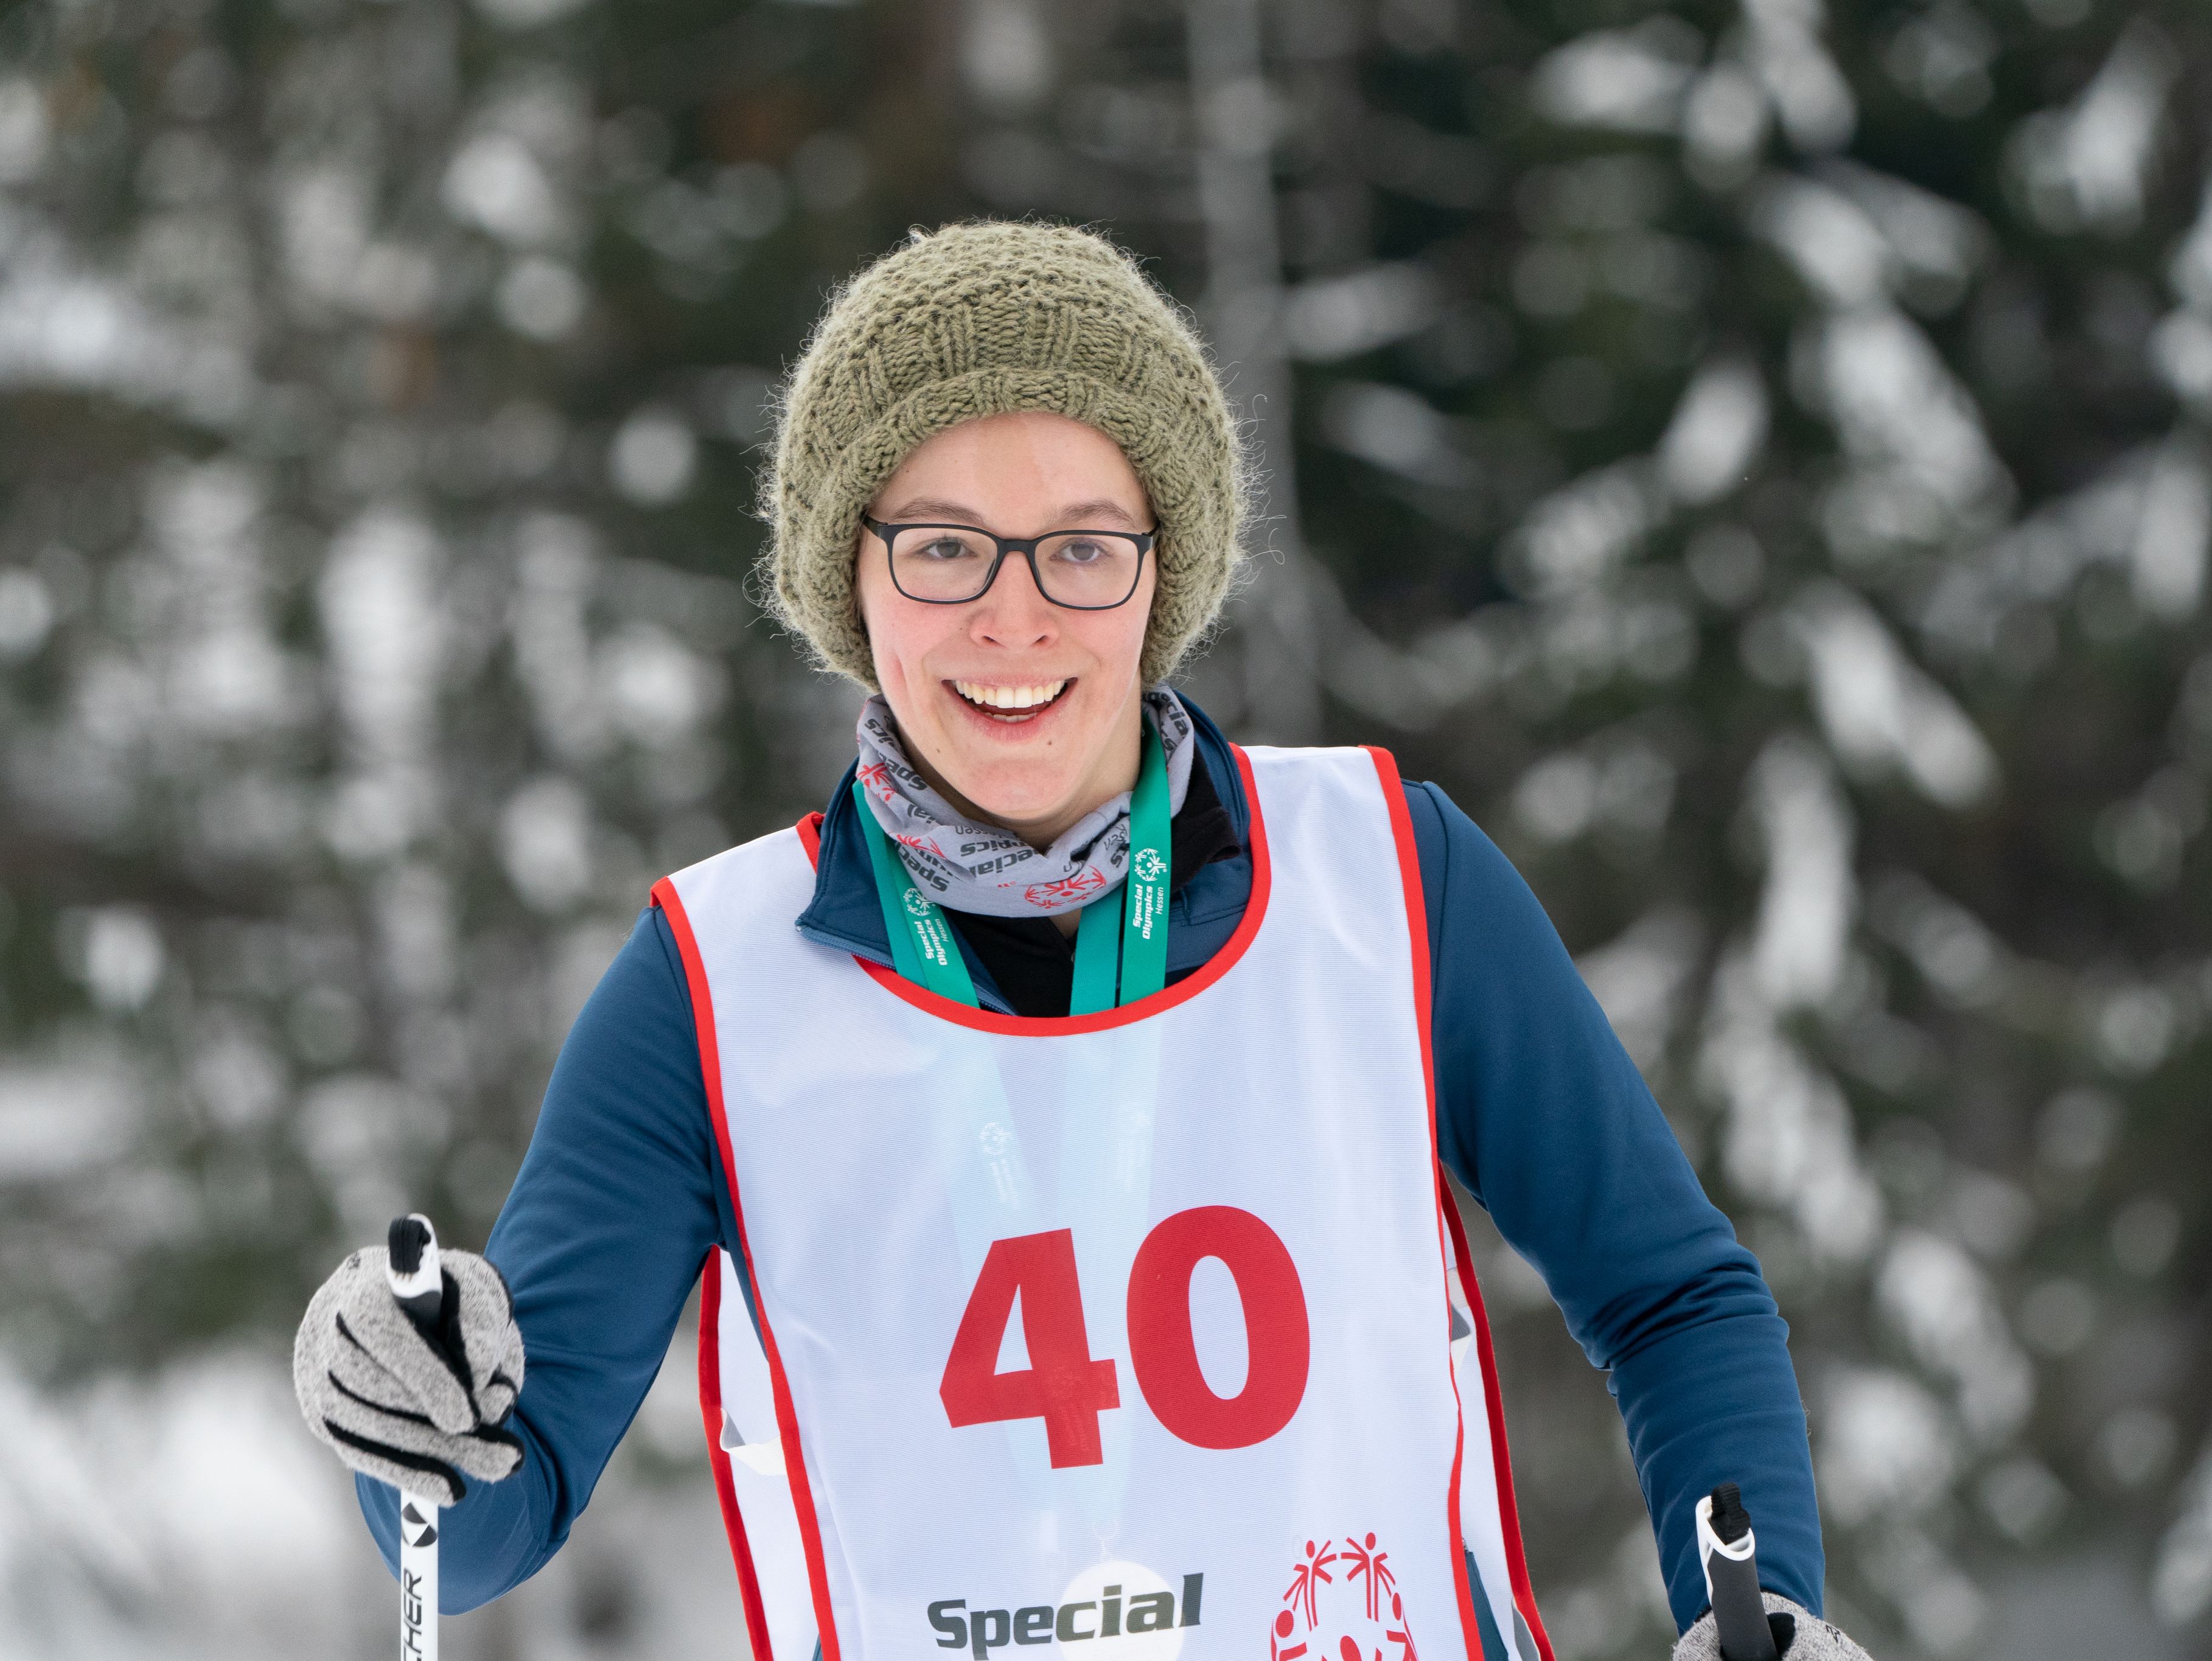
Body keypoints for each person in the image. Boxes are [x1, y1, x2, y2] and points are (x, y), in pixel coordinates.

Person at [293, 219, 1873, 1661]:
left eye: (1082, 544)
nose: (1015, 616)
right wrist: (409, 1423)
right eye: (942, 545)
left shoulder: (1387, 879)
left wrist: (1763, 1607)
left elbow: (1669, 1292)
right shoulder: (711, 988)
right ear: (853, 574)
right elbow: (488, 1519)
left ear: (1158, 569)